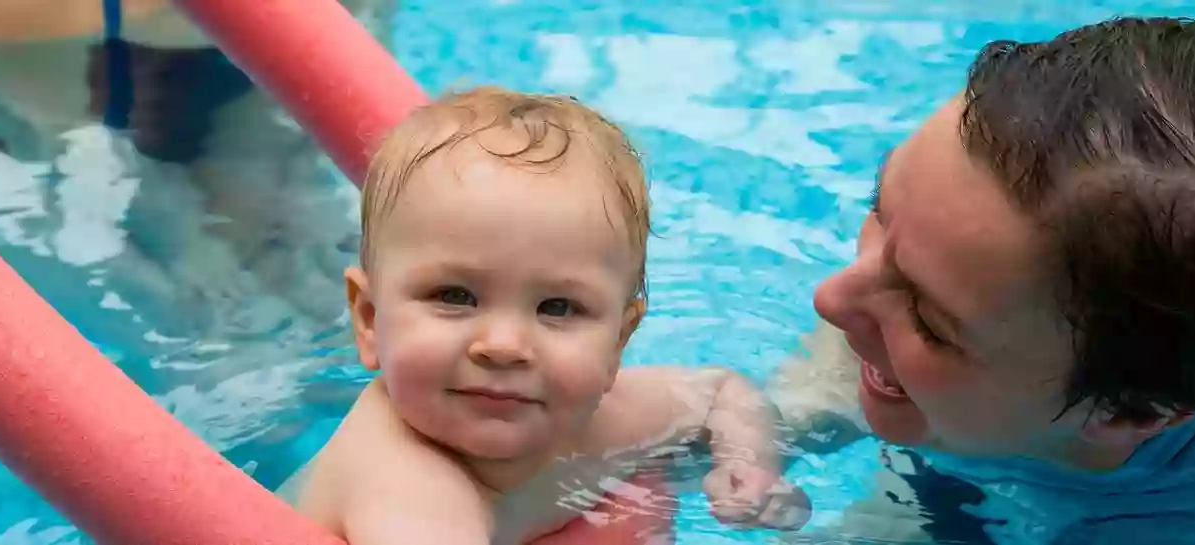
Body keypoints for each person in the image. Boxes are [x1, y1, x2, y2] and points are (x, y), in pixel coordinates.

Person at [285, 86, 811, 544]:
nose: (503, 344)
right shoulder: (409, 493)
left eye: (558, 307)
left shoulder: (602, 423)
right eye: (454, 296)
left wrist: (749, 466)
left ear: (617, 341)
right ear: (371, 319)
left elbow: (720, 392)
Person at [769, 16, 1195, 544]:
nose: (832, 297)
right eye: (880, 209)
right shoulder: (984, 292)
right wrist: (782, 420)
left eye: (928, 322)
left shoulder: (1176, 519)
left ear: (1122, 415)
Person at [0, 0, 389, 330]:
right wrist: (180, 238)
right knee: (193, 303)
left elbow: (347, 43)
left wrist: (268, 163)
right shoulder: (17, 18)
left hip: (236, 73)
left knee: (308, 249)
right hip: (60, 99)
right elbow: (68, 141)